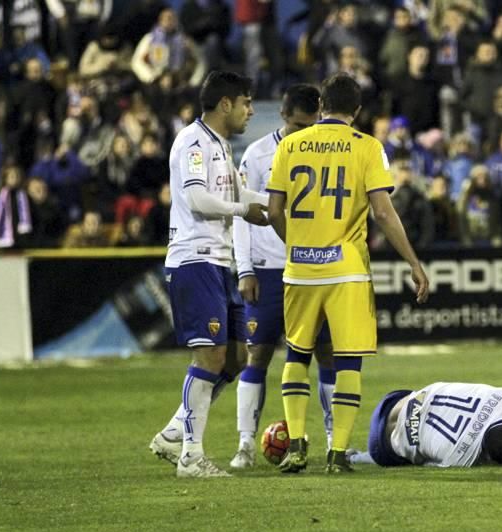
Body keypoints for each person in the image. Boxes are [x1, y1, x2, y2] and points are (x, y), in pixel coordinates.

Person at [266, 74, 430, 474]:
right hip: (347, 271)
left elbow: (273, 211)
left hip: (301, 269)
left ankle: (297, 447)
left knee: (296, 355)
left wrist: (298, 245)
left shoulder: (289, 145)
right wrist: (413, 261)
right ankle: (337, 454)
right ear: (356, 112)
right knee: (348, 362)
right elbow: (384, 213)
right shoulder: (368, 147)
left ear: (321, 105)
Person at [148, 70, 269, 478]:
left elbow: (237, 195)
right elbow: (198, 199)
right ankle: (190, 456)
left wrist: (281, 204)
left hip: (219, 262)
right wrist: (242, 212)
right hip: (194, 258)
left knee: (235, 357)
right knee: (211, 354)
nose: (251, 111)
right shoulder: (193, 142)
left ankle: (171, 433)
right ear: (225, 104)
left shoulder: (220, 146)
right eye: (246, 103)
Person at [229, 84, 336, 470]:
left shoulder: (330, 153)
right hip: (270, 270)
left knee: (326, 352)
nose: (303, 133)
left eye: (311, 126)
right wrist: (244, 269)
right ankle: (244, 445)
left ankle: (331, 441)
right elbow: (242, 213)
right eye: (296, 126)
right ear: (284, 117)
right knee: (257, 354)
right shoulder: (258, 156)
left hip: (316, 268)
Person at [347, 382, 502, 468]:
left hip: (395, 401)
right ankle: (357, 458)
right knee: (411, 455)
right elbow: (424, 463)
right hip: (382, 445)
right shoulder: (460, 458)